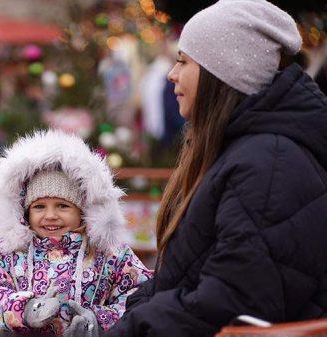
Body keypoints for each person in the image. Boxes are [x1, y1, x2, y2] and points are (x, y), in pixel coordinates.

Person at [104, 1, 327, 336]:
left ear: (222, 72)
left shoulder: (269, 164)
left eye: (183, 61)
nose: (171, 74)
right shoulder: (245, 151)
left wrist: (129, 327)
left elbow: (231, 303)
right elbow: (180, 279)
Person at [0, 130, 152, 336]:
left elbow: (140, 297)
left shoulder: (110, 254)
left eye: (62, 206)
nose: (50, 215)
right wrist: (24, 309)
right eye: (39, 207)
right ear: (26, 212)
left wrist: (98, 322)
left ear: (82, 211)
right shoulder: (8, 254)